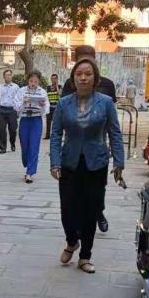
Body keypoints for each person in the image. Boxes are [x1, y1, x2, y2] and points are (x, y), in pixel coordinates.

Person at [50, 58, 124, 274]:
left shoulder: (106, 102)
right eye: (79, 74)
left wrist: (119, 162)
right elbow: (56, 134)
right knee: (67, 211)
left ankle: (85, 256)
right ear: (73, 78)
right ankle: (72, 241)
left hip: (96, 163)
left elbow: (115, 132)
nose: (83, 78)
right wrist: (55, 162)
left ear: (95, 78)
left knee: (91, 210)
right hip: (69, 162)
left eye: (88, 74)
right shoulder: (64, 103)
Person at [62, 46, 115, 232]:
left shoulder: (107, 85)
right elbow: (64, 114)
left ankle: (98, 212)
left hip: (97, 146)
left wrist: (113, 150)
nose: (83, 77)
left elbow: (111, 121)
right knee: (75, 192)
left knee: (98, 189)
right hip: (74, 149)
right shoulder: (69, 85)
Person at [18, 70, 50, 183]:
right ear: (28, 80)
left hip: (36, 120)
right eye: (31, 81)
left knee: (34, 146)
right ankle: (27, 162)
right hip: (24, 119)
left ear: (39, 82)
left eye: (36, 82)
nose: (33, 83)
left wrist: (42, 105)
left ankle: (29, 173)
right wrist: (23, 103)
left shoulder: (42, 92)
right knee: (25, 145)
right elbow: (16, 107)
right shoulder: (21, 91)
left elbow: (46, 110)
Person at [0, 68, 22, 153]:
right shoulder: (0, 87)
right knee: (1, 130)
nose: (8, 76)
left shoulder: (16, 87)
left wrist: (17, 110)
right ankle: (2, 148)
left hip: (12, 110)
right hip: (2, 110)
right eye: (7, 75)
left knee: (13, 129)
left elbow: (19, 99)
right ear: (4, 76)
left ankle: (12, 143)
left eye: (10, 75)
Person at [45, 73, 61, 139]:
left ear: (57, 79)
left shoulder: (59, 86)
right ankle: (47, 135)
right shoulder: (48, 87)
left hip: (56, 107)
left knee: (56, 122)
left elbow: (60, 94)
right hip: (49, 107)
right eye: (52, 78)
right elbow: (46, 96)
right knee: (48, 122)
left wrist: (56, 85)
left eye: (54, 78)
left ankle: (55, 135)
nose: (53, 80)